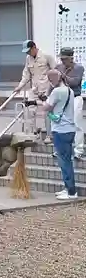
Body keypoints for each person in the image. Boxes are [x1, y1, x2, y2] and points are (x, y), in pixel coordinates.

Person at [43, 69, 77, 200]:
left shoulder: (57, 91)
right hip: (70, 129)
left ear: (54, 80)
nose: (50, 83)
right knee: (66, 160)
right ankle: (68, 188)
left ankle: (71, 192)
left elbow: (46, 107)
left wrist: (43, 100)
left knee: (64, 162)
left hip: (60, 129)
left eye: (50, 80)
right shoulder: (70, 91)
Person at [15, 40, 56, 143]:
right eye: (26, 52)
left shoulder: (46, 56)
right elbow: (26, 75)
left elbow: (56, 72)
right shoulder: (28, 59)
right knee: (30, 110)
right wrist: (19, 87)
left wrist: (53, 88)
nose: (28, 53)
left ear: (34, 47)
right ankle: (33, 133)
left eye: (29, 51)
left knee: (46, 112)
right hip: (34, 90)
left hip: (46, 90)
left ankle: (48, 135)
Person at [56, 47, 85, 159]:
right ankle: (60, 149)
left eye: (65, 59)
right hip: (62, 99)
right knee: (61, 125)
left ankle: (79, 150)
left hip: (75, 98)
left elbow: (75, 82)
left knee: (77, 124)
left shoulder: (79, 68)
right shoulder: (58, 67)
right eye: (61, 59)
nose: (63, 61)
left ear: (71, 58)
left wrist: (64, 77)